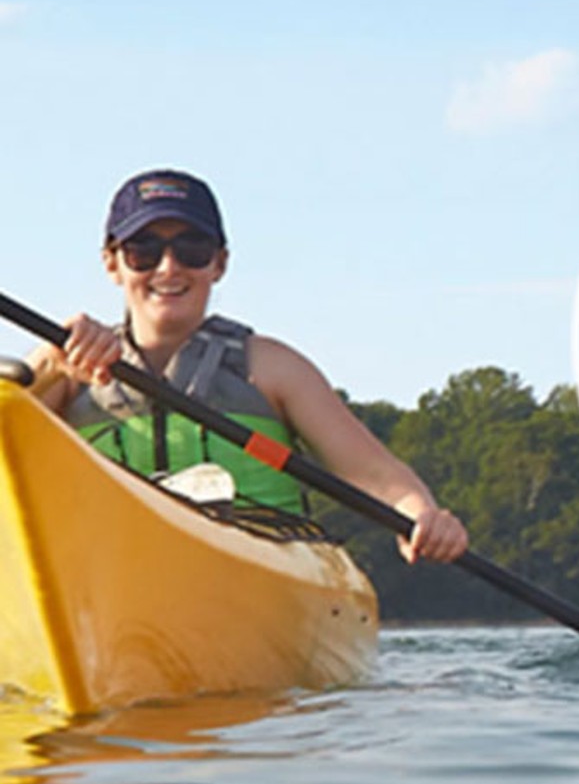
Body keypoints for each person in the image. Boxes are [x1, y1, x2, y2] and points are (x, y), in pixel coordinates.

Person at [23, 169, 468, 563]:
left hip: (263, 567)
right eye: (144, 249)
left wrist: (421, 515)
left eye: (192, 248)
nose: (169, 267)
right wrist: (50, 363)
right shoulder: (63, 370)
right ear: (112, 263)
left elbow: (371, 474)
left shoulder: (272, 369)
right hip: (106, 568)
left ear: (220, 263)